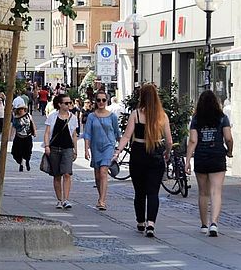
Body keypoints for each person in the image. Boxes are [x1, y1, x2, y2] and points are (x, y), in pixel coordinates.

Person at [113, 84, 173, 238]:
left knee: (139, 191)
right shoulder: (162, 116)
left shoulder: (136, 114)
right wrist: (166, 152)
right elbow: (169, 141)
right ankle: (151, 223)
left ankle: (140, 221)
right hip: (156, 152)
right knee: (153, 192)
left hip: (138, 153)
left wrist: (118, 151)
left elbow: (126, 136)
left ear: (142, 97)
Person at [185, 90, 233, 237]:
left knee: (203, 193)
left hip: (201, 156)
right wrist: (229, 151)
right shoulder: (222, 118)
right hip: (217, 156)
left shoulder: (196, 119)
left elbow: (193, 141)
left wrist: (187, 161)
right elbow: (228, 138)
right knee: (216, 192)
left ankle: (204, 225)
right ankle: (214, 223)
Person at [82, 91, 121, 210]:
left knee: (104, 171)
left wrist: (119, 149)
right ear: (95, 101)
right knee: (98, 175)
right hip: (95, 147)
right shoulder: (91, 116)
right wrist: (86, 149)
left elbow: (117, 133)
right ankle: (100, 196)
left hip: (108, 146)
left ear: (107, 101)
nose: (101, 102)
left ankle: (102, 200)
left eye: (103, 100)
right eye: (98, 100)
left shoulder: (112, 116)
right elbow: (87, 133)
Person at [43, 93, 79, 209]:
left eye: (70, 103)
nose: (69, 105)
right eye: (66, 103)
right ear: (60, 104)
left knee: (67, 173)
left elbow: (74, 135)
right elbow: (47, 132)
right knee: (57, 175)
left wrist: (75, 150)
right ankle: (59, 200)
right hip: (54, 148)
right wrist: (47, 146)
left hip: (67, 148)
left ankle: (66, 200)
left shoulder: (73, 117)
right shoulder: (53, 116)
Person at [10, 96, 36, 172]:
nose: (21, 110)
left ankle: (27, 162)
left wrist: (34, 132)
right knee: (17, 152)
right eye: (19, 109)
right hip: (19, 136)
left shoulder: (28, 115)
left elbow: (32, 123)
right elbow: (13, 127)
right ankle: (21, 163)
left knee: (28, 151)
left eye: (22, 109)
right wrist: (11, 136)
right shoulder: (15, 118)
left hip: (27, 136)